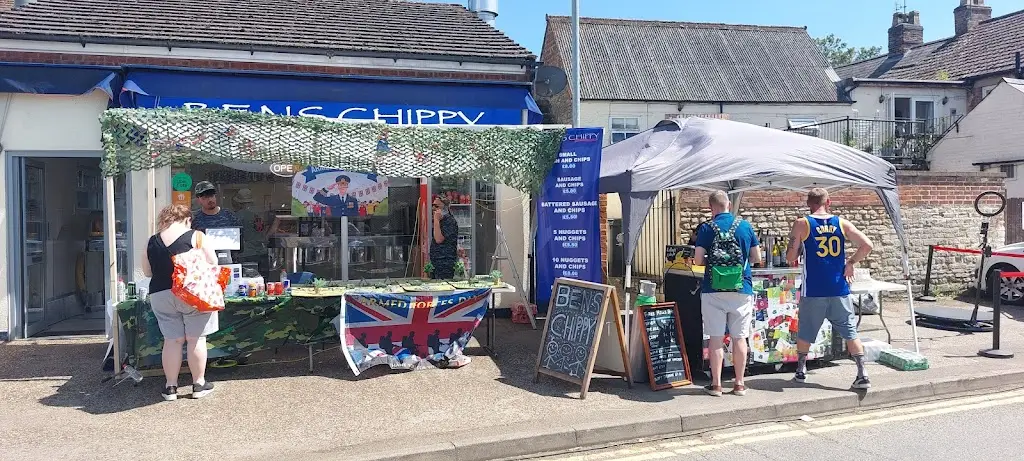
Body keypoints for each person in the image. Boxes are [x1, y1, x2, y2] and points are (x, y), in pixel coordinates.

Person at [786, 188, 874, 390]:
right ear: (829, 202)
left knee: (806, 330)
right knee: (850, 331)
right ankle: (862, 373)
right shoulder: (841, 223)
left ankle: (801, 369)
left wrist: (799, 247)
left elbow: (790, 257)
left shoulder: (802, 223)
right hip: (839, 288)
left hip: (813, 289)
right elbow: (867, 245)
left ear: (809, 204)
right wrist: (850, 262)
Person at [141, 204, 220, 401]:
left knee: (172, 340)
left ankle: (170, 387)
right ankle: (198, 384)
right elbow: (213, 262)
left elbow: (147, 272)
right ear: (187, 219)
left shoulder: (151, 241)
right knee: (195, 338)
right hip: (192, 293)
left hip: (160, 293)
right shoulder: (196, 236)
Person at [693, 191, 762, 397]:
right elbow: (756, 257)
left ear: (711, 207)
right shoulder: (745, 226)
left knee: (715, 339)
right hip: (741, 288)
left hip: (713, 289)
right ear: (729, 205)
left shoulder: (706, 228)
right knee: (739, 338)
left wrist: (713, 264)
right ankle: (739, 384)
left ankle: (716, 385)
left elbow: (698, 260)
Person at [232, 188, 270, 274]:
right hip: (262, 251)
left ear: (238, 203)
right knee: (263, 279)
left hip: (246, 254)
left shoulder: (237, 216)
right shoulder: (258, 214)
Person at [430, 195, 459, 280]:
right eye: (433, 205)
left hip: (445, 262)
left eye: (436, 206)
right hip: (437, 261)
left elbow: (438, 239)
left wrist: (436, 220)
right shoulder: (441, 221)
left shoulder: (449, 221)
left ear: (444, 208)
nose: (433, 208)